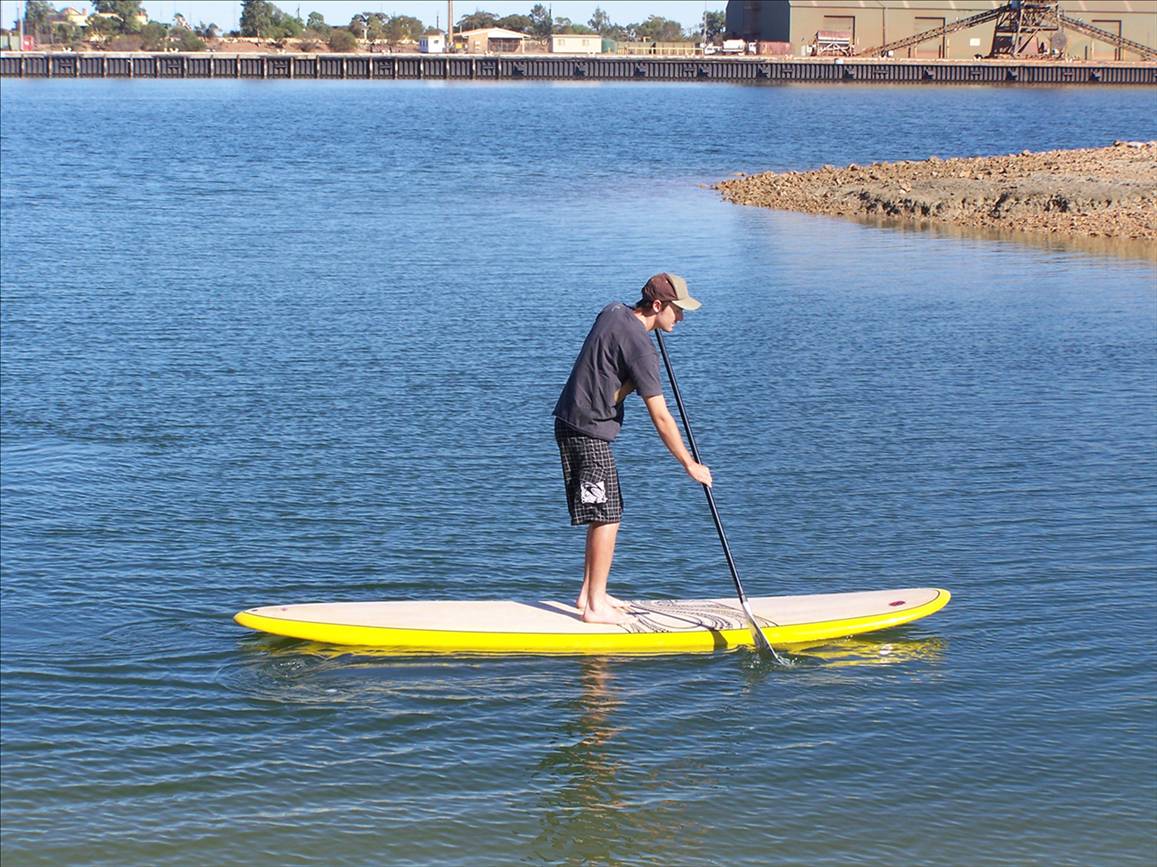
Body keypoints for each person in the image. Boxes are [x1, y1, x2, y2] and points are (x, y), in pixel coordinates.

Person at [553, 273, 714, 624]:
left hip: (575, 421)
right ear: (657, 306)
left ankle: (587, 594)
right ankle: (595, 606)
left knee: (605, 511)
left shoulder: (613, 311)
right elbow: (660, 415)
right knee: (606, 514)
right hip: (587, 431)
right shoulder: (642, 350)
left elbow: (611, 356)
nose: (682, 318)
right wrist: (689, 464)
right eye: (677, 311)